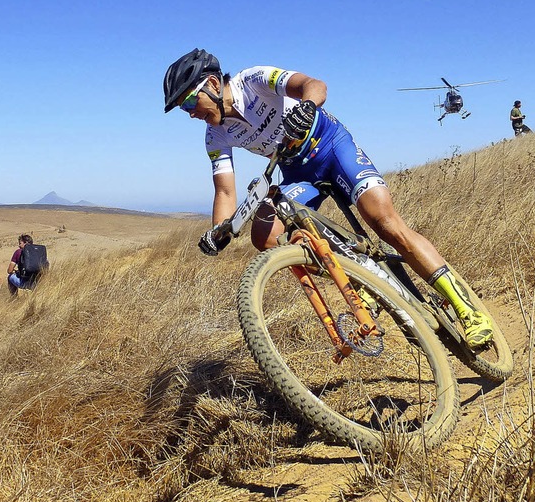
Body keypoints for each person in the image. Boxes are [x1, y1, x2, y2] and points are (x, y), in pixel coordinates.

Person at [163, 49, 493, 348]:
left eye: (190, 104)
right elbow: (224, 190)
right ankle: (356, 273)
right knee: (265, 236)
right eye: (184, 110)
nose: (191, 114)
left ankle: (467, 309)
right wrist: (219, 230)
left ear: (210, 84)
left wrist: (307, 106)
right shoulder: (215, 134)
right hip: (295, 171)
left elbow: (314, 84)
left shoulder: (254, 80)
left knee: (384, 222)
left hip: (331, 146)